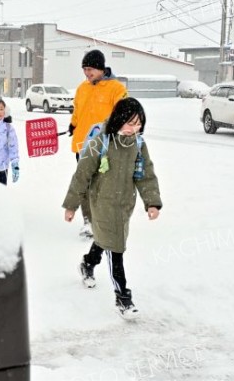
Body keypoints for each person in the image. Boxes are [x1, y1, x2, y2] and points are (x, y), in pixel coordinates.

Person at [62, 98, 162, 319]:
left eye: (138, 124)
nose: (134, 128)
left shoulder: (138, 144)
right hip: (101, 203)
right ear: (118, 120)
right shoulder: (101, 143)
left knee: (105, 239)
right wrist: (71, 205)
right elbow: (82, 175)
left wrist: (152, 202)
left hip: (124, 204)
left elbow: (146, 175)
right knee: (116, 248)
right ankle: (123, 299)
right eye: (129, 123)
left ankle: (87, 263)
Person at [69, 49, 128, 240]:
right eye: (84, 69)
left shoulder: (116, 88)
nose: (87, 73)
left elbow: (122, 114)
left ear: (101, 68)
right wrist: (73, 124)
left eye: (90, 69)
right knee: (85, 184)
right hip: (82, 145)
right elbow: (77, 111)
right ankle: (89, 222)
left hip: (105, 145)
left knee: (102, 185)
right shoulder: (82, 88)